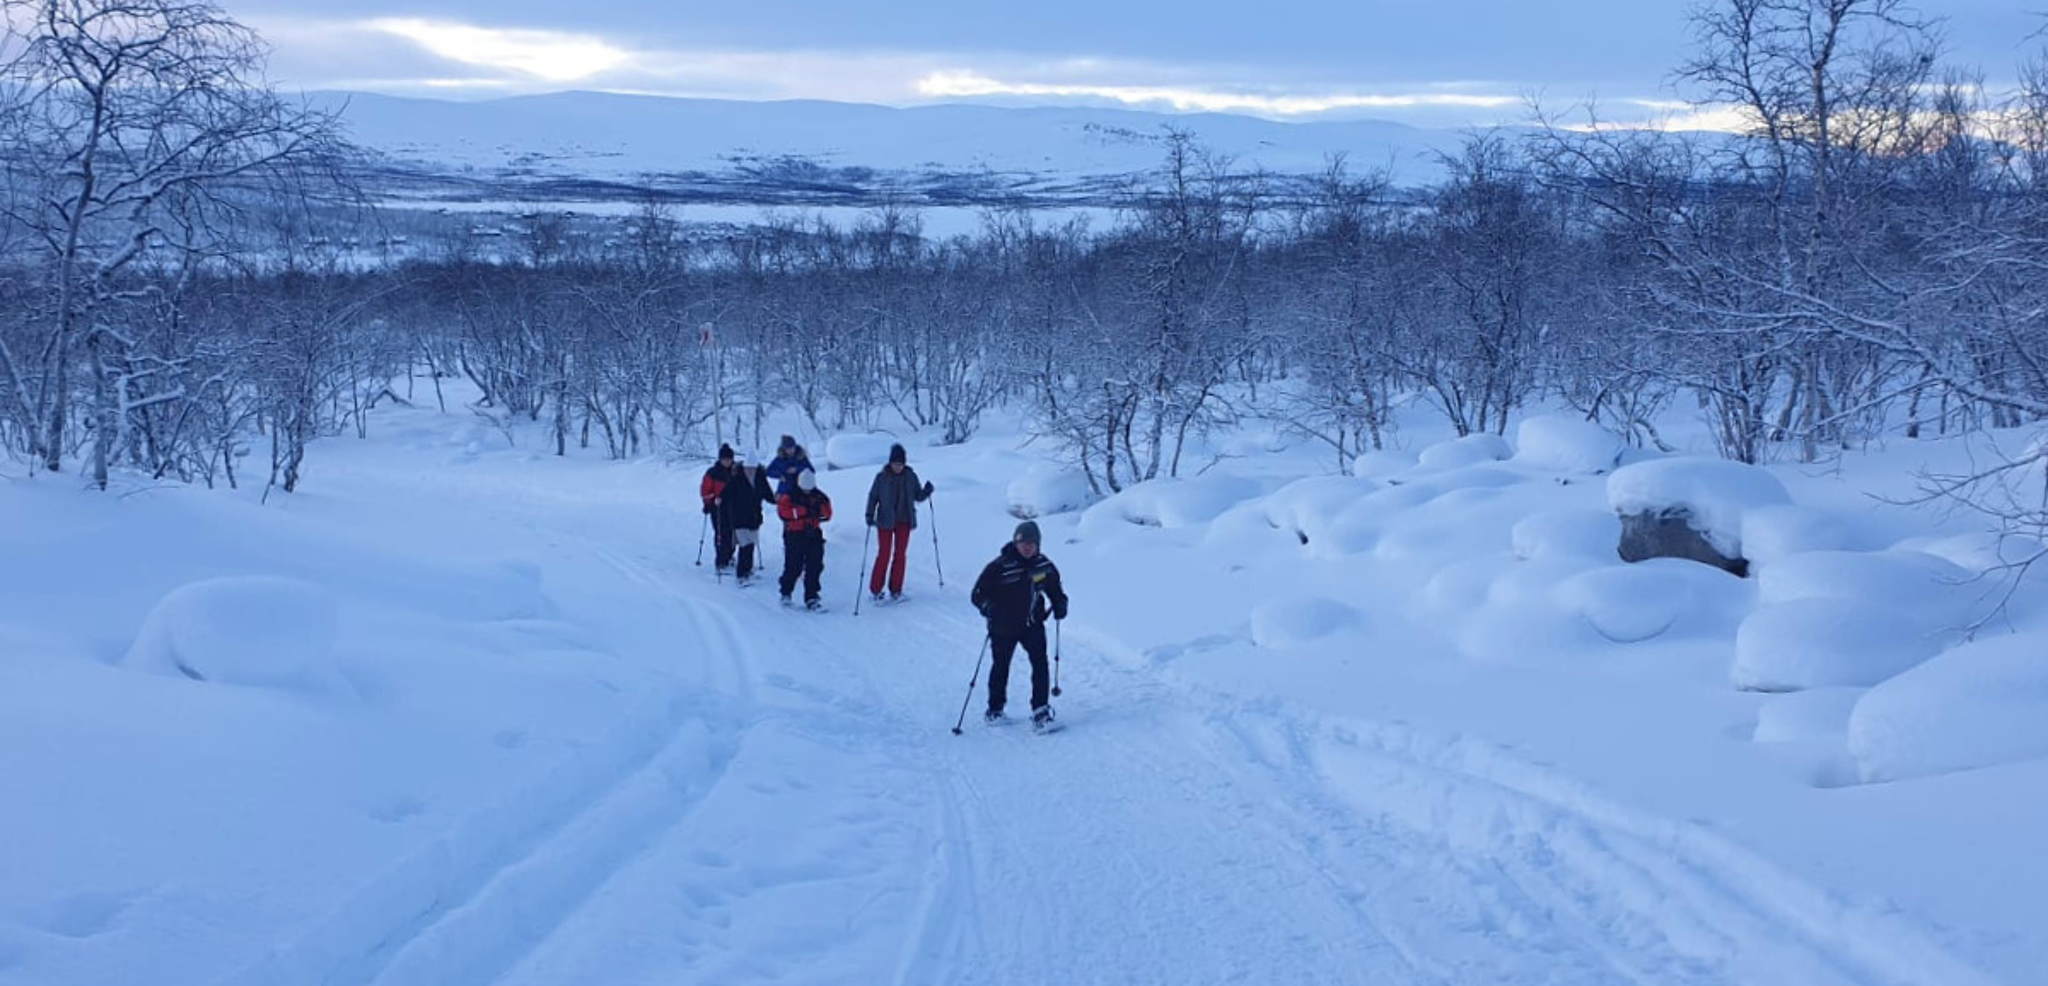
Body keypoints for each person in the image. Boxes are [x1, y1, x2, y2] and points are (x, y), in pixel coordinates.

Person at [969, 520, 1069, 730]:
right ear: (1015, 543)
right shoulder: (1000, 566)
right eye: (1023, 543)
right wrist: (989, 608)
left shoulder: (1044, 565)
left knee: (1040, 663)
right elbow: (978, 594)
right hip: (1003, 626)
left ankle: (1040, 711)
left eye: (1032, 543)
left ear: (1038, 545)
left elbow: (1055, 589)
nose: (1027, 547)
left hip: (1032, 624)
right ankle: (995, 710)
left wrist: (1060, 603)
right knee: (1001, 665)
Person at [864, 442, 934, 601]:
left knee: (900, 554)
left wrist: (927, 491)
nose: (898, 467)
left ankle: (896, 590)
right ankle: (876, 590)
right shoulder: (881, 477)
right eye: (895, 463)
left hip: (904, 519)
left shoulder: (910, 476)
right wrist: (869, 514)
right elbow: (873, 496)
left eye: (900, 464)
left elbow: (918, 496)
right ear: (890, 462)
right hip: (885, 521)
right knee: (884, 554)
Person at [777, 468, 833, 609]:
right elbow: (783, 512)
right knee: (793, 565)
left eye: (809, 489)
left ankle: (812, 596)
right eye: (804, 489)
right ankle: (786, 592)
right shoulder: (790, 496)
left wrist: (819, 511)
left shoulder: (819, 496)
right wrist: (802, 512)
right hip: (795, 534)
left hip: (813, 534)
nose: (807, 492)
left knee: (815, 565)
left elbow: (828, 514)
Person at [719, 453, 777, 584]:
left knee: (751, 545)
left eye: (753, 469)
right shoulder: (737, 478)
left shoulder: (760, 479)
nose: (750, 471)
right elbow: (726, 492)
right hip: (739, 517)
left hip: (754, 518)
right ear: (744, 468)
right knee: (745, 545)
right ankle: (741, 575)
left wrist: (777, 500)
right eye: (748, 468)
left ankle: (748, 570)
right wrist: (719, 499)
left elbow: (768, 494)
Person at [699, 443, 743, 572]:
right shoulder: (713, 473)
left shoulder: (737, 471)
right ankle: (721, 560)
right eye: (724, 459)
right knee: (721, 533)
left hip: (734, 507)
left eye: (729, 459)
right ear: (720, 459)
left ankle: (729, 555)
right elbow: (705, 490)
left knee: (733, 533)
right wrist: (709, 502)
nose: (727, 462)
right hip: (717, 508)